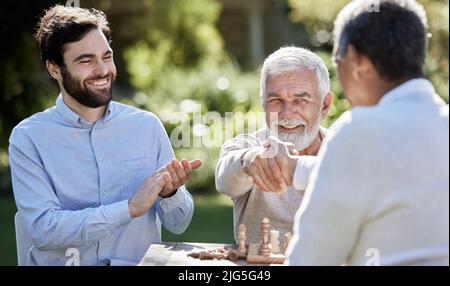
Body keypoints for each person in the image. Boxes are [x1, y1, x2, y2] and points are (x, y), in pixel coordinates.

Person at [9, 5, 201, 266]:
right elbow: (45, 229)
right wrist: (129, 209)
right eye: (86, 60)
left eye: (107, 57)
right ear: (54, 68)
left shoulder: (146, 127)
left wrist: (170, 194)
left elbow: (179, 224)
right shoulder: (28, 138)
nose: (102, 70)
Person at [265, 0, 449, 265]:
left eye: (337, 60)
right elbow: (388, 172)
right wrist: (296, 167)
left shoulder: (358, 132)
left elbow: (309, 259)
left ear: (355, 60)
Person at [215, 47, 332, 243]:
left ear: (325, 105)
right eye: (275, 100)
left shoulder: (344, 150)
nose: (287, 114)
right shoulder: (247, 145)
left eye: (301, 99)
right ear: (262, 103)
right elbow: (225, 180)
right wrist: (249, 161)